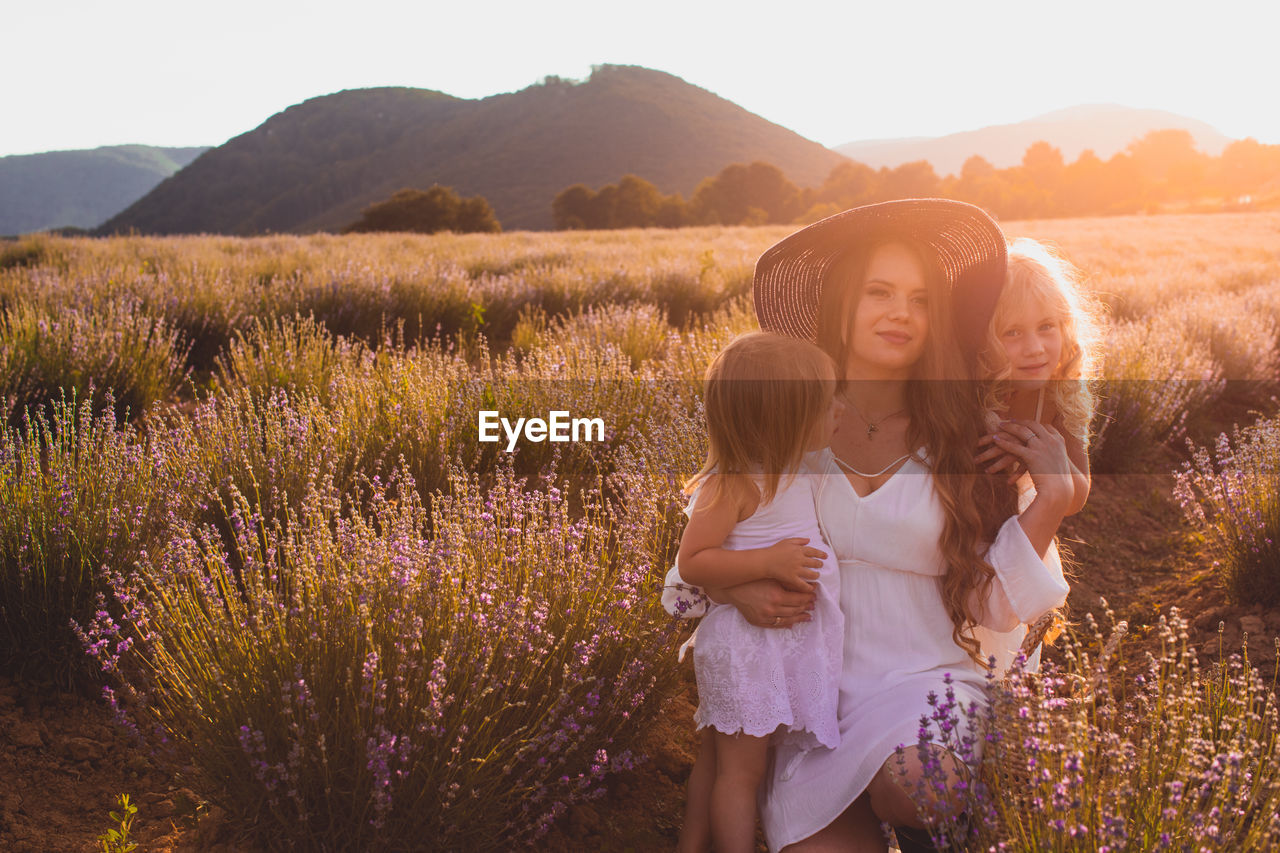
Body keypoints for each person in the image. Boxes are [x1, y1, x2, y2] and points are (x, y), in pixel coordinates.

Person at [664, 200, 1073, 852]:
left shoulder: (969, 436)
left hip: (929, 685)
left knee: (919, 785)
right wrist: (738, 587)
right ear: (841, 305)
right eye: (879, 291)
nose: (900, 312)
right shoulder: (793, 419)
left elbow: (993, 607)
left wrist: (1047, 502)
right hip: (811, 703)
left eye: (919, 297)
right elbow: (711, 542)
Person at [674, 331, 843, 853]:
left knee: (719, 759)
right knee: (741, 774)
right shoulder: (734, 483)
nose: (839, 410)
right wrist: (768, 561)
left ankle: (690, 845)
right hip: (745, 647)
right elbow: (693, 561)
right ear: (784, 419)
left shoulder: (794, 470)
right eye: (824, 403)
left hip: (768, 646)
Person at [975, 237, 1101, 514]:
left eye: (1046, 326)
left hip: (1025, 534)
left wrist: (1045, 453)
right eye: (1013, 332)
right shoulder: (965, 393)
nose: (1034, 349)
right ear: (982, 339)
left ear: (1065, 328)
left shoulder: (1061, 395)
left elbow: (1076, 501)